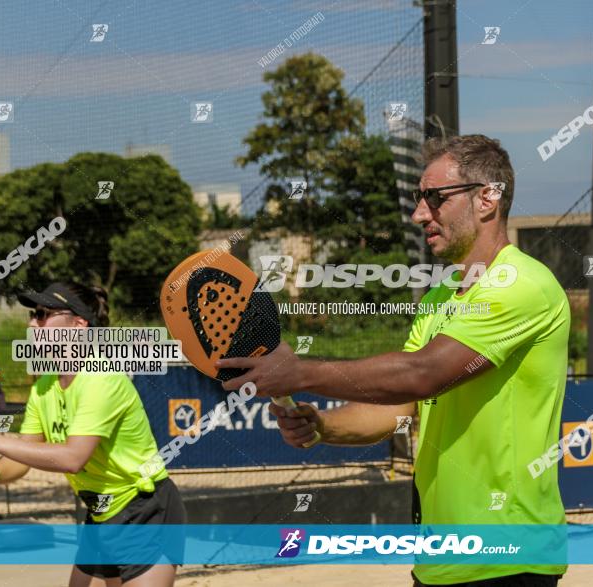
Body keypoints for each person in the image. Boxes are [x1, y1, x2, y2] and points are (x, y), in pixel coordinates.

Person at [218, 135, 570, 586]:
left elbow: (421, 375)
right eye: (420, 199)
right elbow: (399, 407)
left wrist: (301, 372)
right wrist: (323, 425)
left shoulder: (519, 284)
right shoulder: (442, 294)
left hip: (507, 559)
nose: (420, 214)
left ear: (487, 199)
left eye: (435, 199)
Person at [0, 282, 185, 587]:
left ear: (79, 325)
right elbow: (22, 459)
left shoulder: (101, 377)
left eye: (43, 314)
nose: (32, 323)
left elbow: (73, 458)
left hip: (144, 511)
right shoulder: (43, 387)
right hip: (102, 512)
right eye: (32, 315)